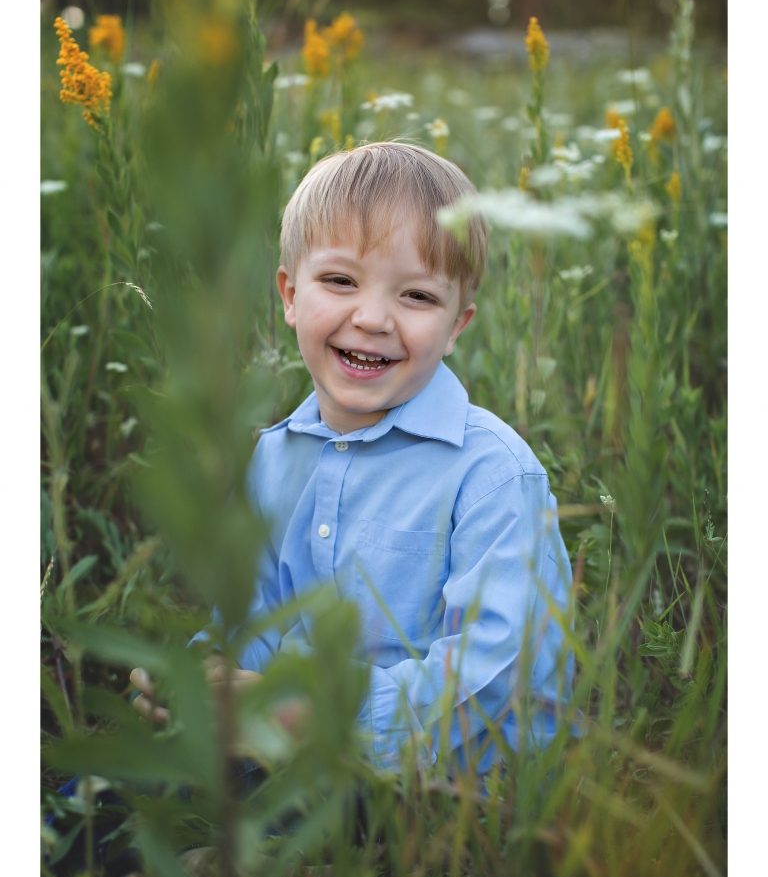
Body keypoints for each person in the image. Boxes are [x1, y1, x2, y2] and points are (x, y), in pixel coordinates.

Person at [131, 141, 575, 775]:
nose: (371, 319)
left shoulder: (492, 475)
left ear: (457, 325)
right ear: (289, 294)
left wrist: (316, 714)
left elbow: (500, 672)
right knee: (106, 800)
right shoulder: (272, 459)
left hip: (440, 784)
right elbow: (249, 616)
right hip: (281, 757)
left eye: (417, 297)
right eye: (340, 281)